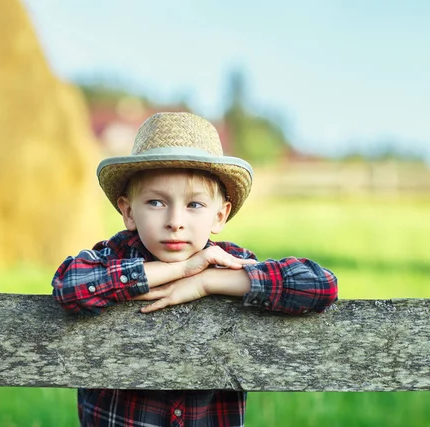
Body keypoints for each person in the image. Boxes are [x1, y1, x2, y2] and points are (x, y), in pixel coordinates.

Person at [52, 112, 338, 427]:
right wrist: (181, 268)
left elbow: (321, 286)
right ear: (128, 212)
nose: (175, 221)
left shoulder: (227, 262)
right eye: (156, 203)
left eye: (194, 205)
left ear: (219, 216)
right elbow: (70, 286)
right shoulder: (115, 256)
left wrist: (207, 281)